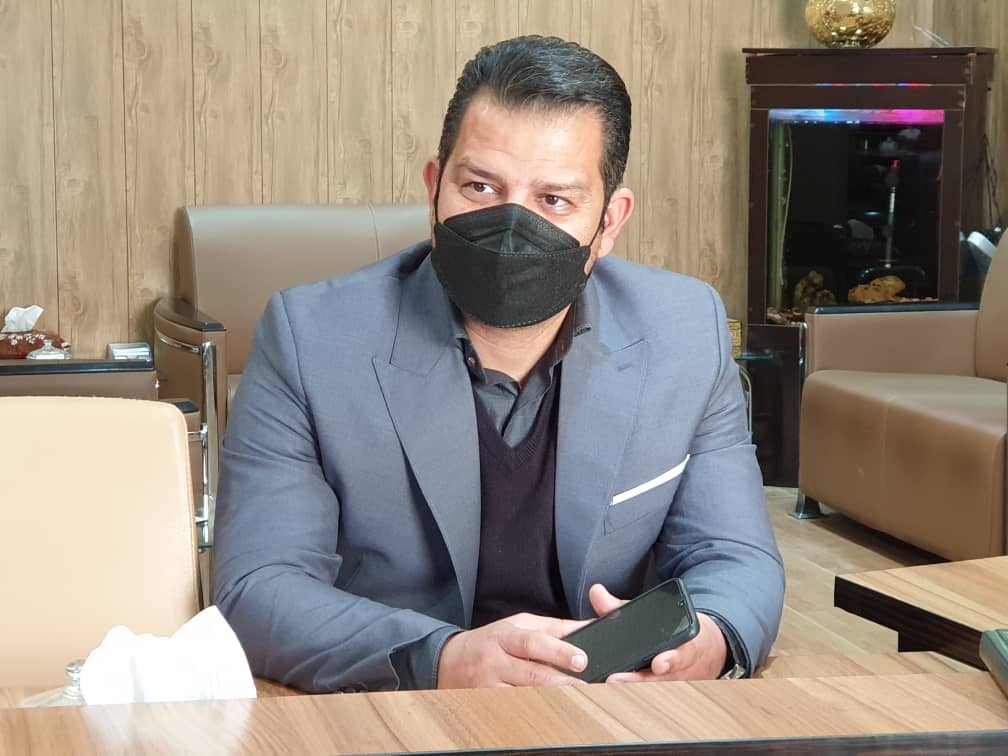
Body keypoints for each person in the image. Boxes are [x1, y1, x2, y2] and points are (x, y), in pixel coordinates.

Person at [213, 35, 784, 692]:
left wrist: (707, 638)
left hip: (607, 707)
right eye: (480, 186)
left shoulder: (683, 330)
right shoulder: (309, 338)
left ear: (610, 222)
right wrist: (445, 659)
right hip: (398, 707)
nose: (512, 226)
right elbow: (257, 588)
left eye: (554, 200)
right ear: (435, 190)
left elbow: (735, 557)